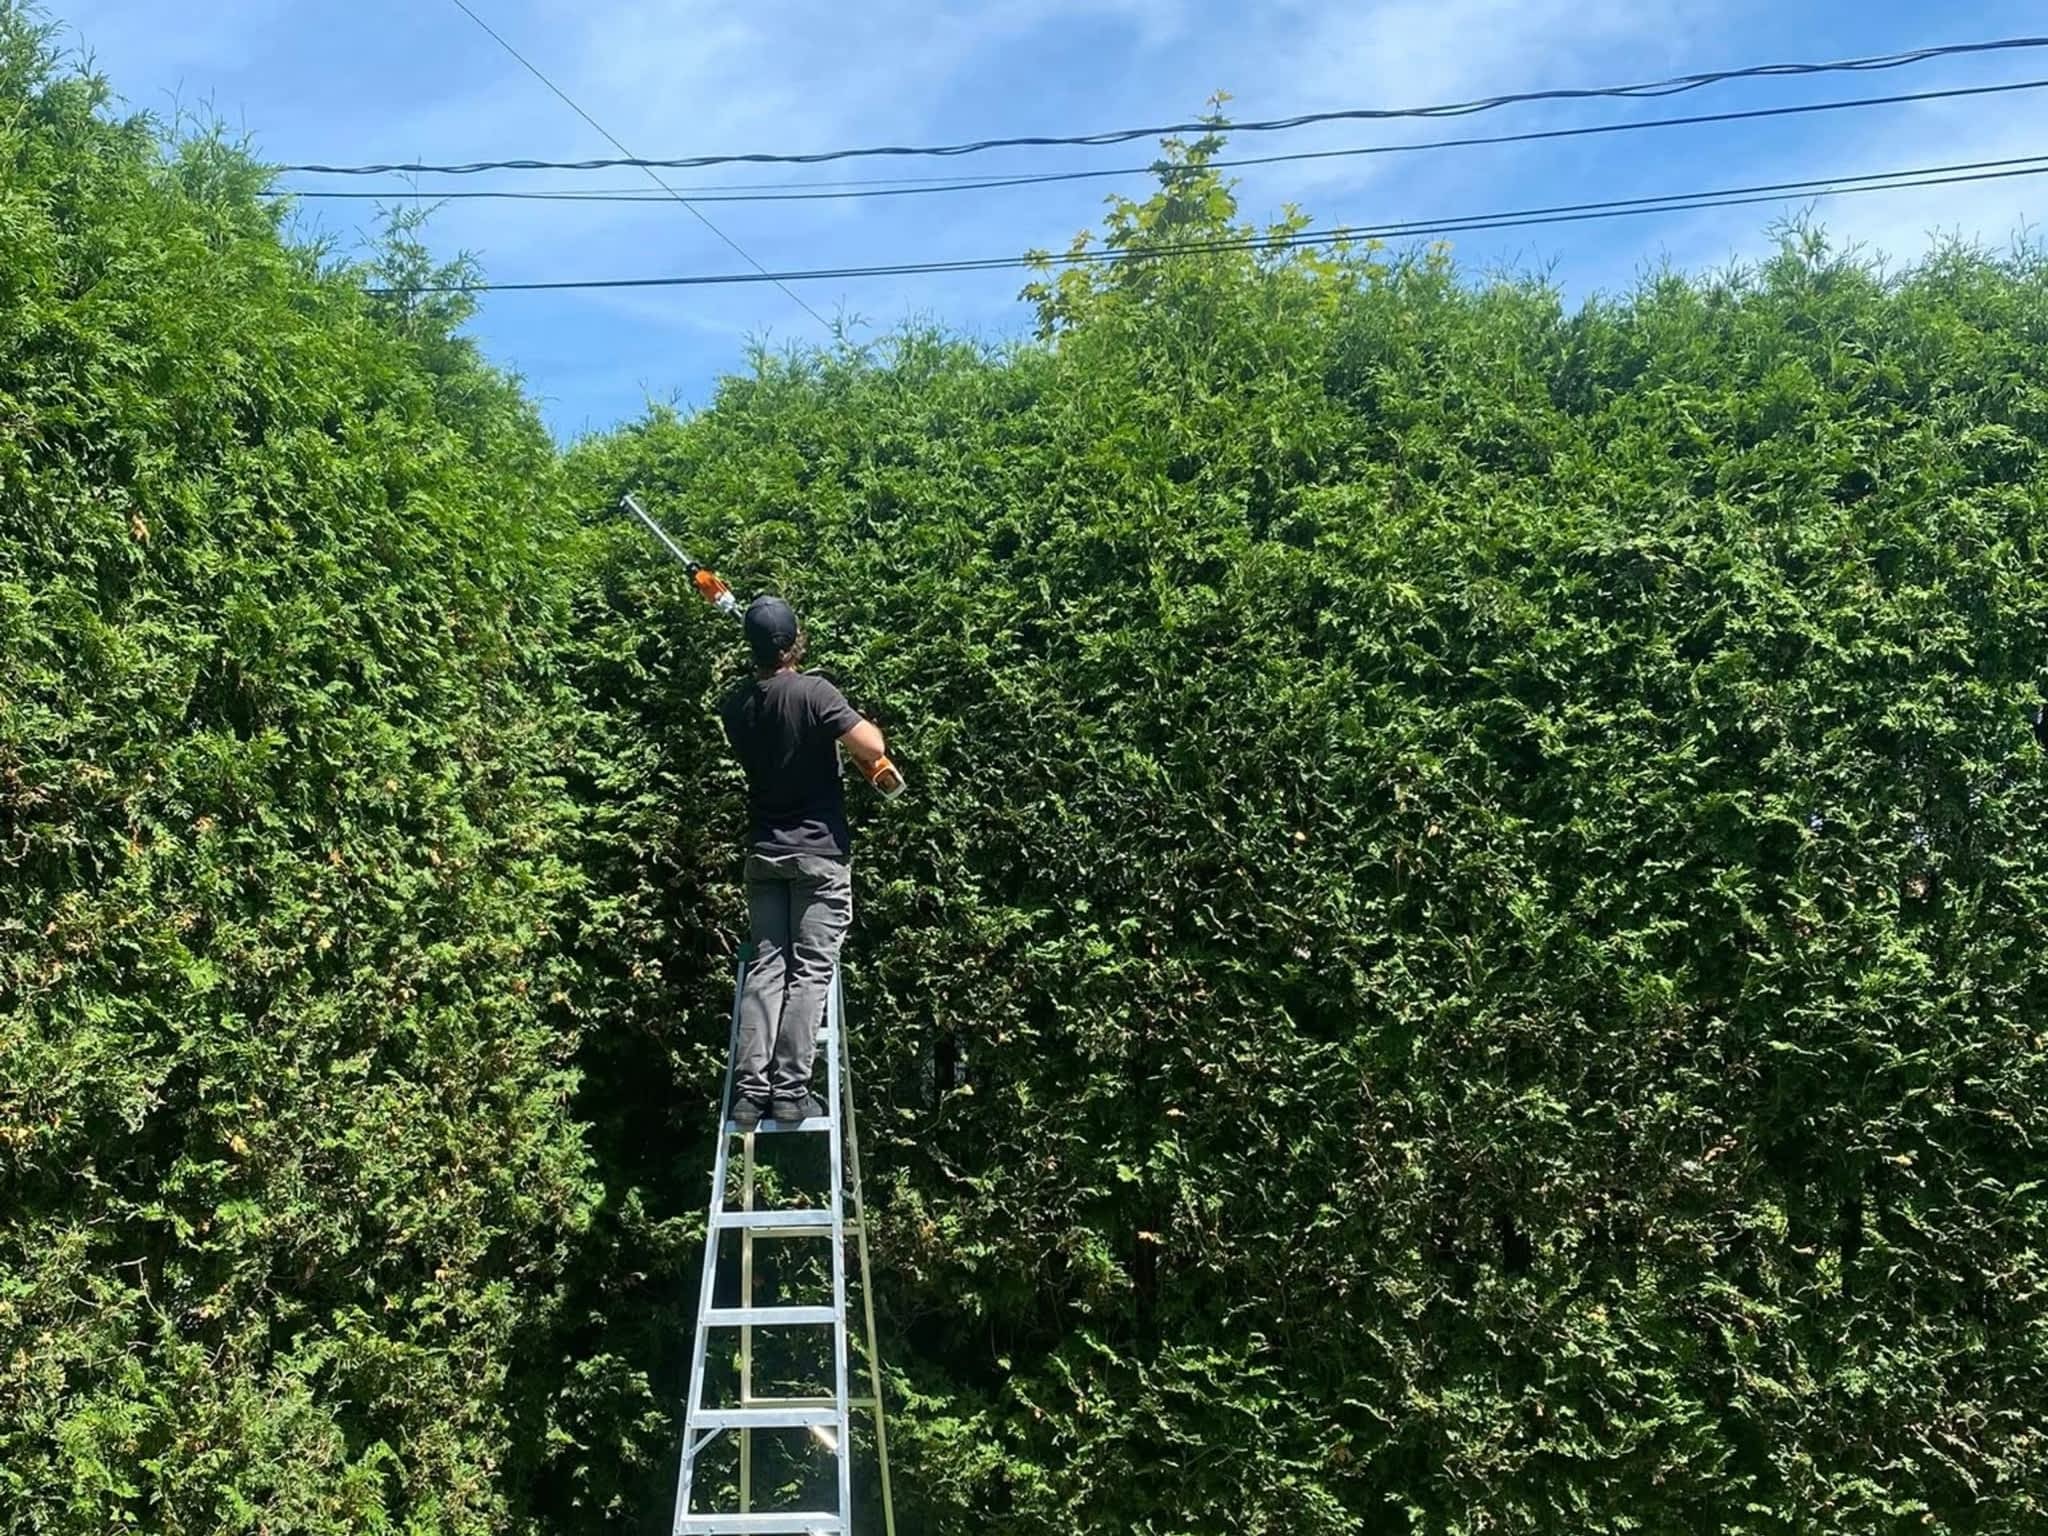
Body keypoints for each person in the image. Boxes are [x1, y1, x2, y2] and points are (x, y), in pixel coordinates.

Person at [718, 595, 891, 1128]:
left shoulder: (734, 706)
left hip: (764, 854)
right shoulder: (816, 692)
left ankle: (749, 1096)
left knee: (766, 968)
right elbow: (869, 744)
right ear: (795, 641)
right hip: (818, 856)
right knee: (811, 970)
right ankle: (791, 1092)